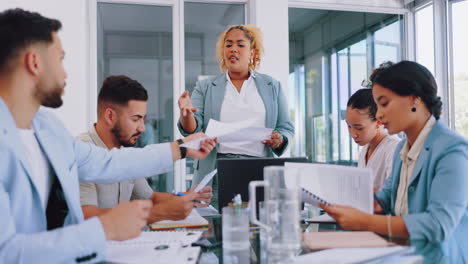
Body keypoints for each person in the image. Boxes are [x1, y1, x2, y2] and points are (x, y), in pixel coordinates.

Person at [0, 8, 216, 263]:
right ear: (34, 62)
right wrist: (105, 228)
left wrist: (181, 147)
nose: (65, 73)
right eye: (60, 59)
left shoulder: (48, 128)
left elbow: (107, 162)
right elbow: (6, 252)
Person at [322, 61, 468, 261]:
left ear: (414, 99)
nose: (379, 115)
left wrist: (366, 222)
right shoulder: (403, 148)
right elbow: (386, 198)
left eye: (384, 103)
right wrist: (366, 200)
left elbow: (438, 225)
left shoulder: (452, 149)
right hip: (403, 255)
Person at [177, 24, 294, 206]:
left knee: (259, 227)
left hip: (259, 169)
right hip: (218, 169)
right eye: (228, 44)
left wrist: (278, 139)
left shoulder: (272, 86)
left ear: (253, 52)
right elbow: (194, 127)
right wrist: (185, 114)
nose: (233, 49)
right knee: (215, 229)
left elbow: (285, 127)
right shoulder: (206, 86)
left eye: (240, 45)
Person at [79, 75, 213, 223]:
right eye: (136, 119)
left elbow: (151, 197)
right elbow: (87, 218)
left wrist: (187, 198)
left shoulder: (125, 152)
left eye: (143, 119)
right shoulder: (83, 152)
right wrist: (160, 213)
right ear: (110, 116)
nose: (142, 128)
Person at [346, 88, 400, 190]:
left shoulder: (394, 149)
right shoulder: (365, 150)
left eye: (359, 128)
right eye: (349, 126)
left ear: (379, 121)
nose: (353, 134)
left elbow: (393, 195)